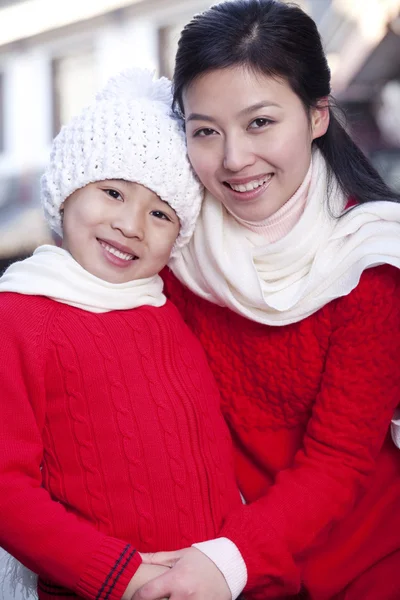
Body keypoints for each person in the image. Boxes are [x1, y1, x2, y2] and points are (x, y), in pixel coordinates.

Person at [132, 1, 400, 600]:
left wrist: (226, 562)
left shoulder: (371, 258)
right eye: (206, 130)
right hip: (225, 558)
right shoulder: (172, 246)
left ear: (316, 116)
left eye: (259, 123)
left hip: (366, 560)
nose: (233, 159)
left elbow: (338, 461)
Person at [0, 68, 245, 600]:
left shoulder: (166, 311)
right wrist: (122, 575)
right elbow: (5, 488)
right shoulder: (22, 315)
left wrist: (226, 561)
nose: (131, 225)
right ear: (66, 191)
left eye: (160, 213)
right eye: (112, 192)